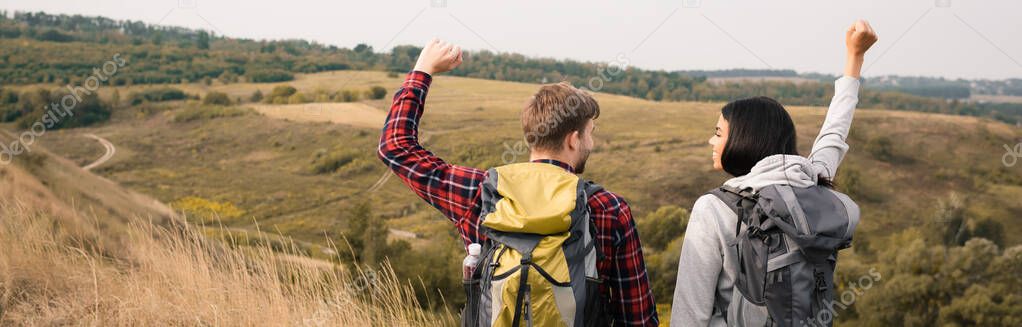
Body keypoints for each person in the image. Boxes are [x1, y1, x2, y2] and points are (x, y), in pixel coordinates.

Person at [378, 38, 659, 326]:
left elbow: (396, 147)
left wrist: (422, 70)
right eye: (590, 133)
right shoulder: (608, 208)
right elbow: (638, 318)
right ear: (573, 139)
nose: (592, 141)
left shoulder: (484, 193)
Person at [670, 20, 878, 326]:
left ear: (744, 139)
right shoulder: (812, 183)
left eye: (718, 132)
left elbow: (690, 315)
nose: (711, 141)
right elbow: (834, 134)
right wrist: (854, 58)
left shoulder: (712, 209)